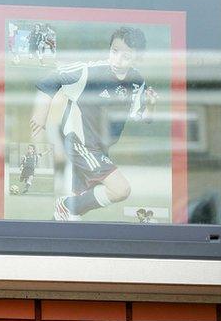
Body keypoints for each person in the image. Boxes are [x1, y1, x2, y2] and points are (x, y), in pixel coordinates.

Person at [29, 26, 158, 221]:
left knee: (72, 215)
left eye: (126, 56)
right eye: (114, 51)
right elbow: (50, 81)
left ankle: (66, 213)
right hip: (81, 143)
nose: (117, 59)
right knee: (120, 189)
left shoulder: (137, 81)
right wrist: (40, 118)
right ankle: (66, 206)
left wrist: (151, 105)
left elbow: (142, 117)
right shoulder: (89, 72)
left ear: (136, 58)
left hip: (101, 148)